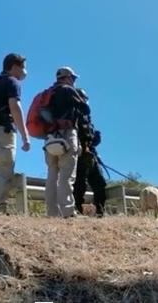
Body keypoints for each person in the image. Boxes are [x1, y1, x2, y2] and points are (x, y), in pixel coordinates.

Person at [0, 53, 31, 214]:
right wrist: (25, 136)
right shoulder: (12, 82)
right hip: (4, 130)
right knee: (4, 172)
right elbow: (15, 107)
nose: (25, 71)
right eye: (23, 67)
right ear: (15, 66)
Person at [43, 66, 89, 218]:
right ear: (68, 77)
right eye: (73, 78)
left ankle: (52, 212)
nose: (74, 81)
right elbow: (85, 109)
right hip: (67, 133)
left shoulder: (49, 93)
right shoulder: (69, 90)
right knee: (67, 175)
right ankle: (68, 212)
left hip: (50, 137)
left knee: (52, 174)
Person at [73, 88, 107, 218]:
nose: (86, 101)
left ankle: (100, 211)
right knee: (80, 184)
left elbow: (88, 136)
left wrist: (95, 140)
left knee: (100, 183)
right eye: (84, 98)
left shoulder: (87, 117)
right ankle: (77, 209)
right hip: (80, 154)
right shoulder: (74, 113)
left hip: (91, 155)